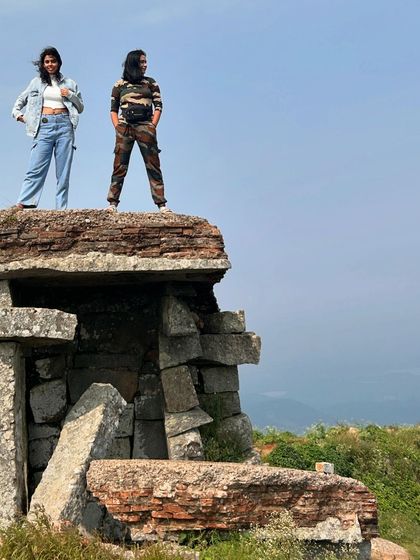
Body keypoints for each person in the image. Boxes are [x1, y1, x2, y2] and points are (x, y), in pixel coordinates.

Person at [12, 47, 84, 210]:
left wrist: (70, 95)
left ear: (58, 63)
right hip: (43, 125)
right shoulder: (36, 82)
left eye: (53, 61)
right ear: (43, 64)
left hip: (65, 125)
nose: (50, 64)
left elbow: (80, 107)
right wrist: (18, 115)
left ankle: (61, 208)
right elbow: (21, 100)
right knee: (36, 166)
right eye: (47, 62)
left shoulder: (70, 83)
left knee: (63, 171)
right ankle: (25, 202)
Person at [106, 49, 171, 212]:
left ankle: (161, 204)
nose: (145, 65)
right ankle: (112, 203)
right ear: (133, 63)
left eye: (145, 62)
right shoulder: (119, 85)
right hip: (125, 127)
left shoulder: (151, 83)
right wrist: (117, 127)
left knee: (153, 165)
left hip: (145, 127)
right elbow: (113, 109)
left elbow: (159, 106)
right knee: (120, 165)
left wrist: (152, 126)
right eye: (142, 62)